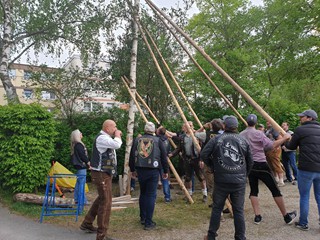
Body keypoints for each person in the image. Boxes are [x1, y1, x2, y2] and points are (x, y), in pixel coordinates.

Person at [201, 116, 253, 240]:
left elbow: (204, 154)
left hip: (221, 180)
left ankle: (211, 236)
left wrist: (213, 167)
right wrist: (244, 174)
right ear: (236, 126)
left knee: (217, 208)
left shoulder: (216, 139)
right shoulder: (243, 140)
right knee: (238, 210)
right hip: (239, 182)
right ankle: (240, 237)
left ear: (224, 126)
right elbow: (250, 161)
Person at [239, 114, 297, 225]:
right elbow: (271, 146)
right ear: (256, 123)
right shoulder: (259, 134)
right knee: (275, 190)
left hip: (249, 165)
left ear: (246, 122)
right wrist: (284, 138)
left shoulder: (241, 135)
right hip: (261, 164)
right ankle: (286, 217)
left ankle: (257, 216)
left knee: (253, 190)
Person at [80, 120, 122, 240]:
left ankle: (87, 223)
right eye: (114, 127)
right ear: (108, 127)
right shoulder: (102, 138)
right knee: (106, 202)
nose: (116, 129)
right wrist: (117, 135)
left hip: (104, 173)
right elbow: (117, 145)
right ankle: (102, 234)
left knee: (101, 199)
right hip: (101, 174)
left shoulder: (105, 137)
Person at [285, 109, 320, 231]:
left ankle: (303, 223)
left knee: (304, 196)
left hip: (306, 169)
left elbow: (291, 147)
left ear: (309, 118)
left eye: (302, 117)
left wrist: (286, 138)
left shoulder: (300, 130)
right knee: (319, 196)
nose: (300, 118)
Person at [129, 122, 168, 230]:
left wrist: (132, 169)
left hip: (140, 170)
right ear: (154, 130)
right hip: (153, 171)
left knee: (143, 193)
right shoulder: (158, 141)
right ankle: (148, 222)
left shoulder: (137, 140)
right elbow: (164, 157)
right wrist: (166, 171)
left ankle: (143, 217)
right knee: (151, 195)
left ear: (145, 129)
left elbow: (132, 156)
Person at [169, 121, 208, 202]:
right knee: (188, 178)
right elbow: (179, 148)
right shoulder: (183, 137)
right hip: (187, 159)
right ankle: (189, 194)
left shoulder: (197, 135)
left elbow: (203, 148)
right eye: (187, 126)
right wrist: (172, 154)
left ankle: (205, 194)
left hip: (197, 159)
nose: (190, 127)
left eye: (191, 126)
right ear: (184, 128)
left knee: (201, 177)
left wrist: (201, 159)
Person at [70, 129, 90, 205]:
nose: (82, 134)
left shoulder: (75, 145)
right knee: (81, 184)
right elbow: (83, 156)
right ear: (77, 135)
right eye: (80, 133)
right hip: (81, 166)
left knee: (78, 183)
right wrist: (88, 162)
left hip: (78, 166)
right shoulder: (79, 145)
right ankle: (83, 201)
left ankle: (77, 199)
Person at [265, 121, 285, 186]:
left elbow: (280, 138)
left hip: (274, 149)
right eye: (267, 122)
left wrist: (276, 146)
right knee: (271, 164)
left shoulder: (274, 129)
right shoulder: (267, 130)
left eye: (269, 122)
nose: (268, 123)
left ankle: (281, 180)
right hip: (268, 149)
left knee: (276, 163)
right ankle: (276, 179)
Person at [156, 126, 172, 203]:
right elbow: (169, 151)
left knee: (154, 180)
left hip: (156, 162)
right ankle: (167, 197)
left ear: (158, 132)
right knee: (165, 180)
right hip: (164, 162)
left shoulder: (156, 140)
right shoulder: (167, 140)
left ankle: (153, 198)